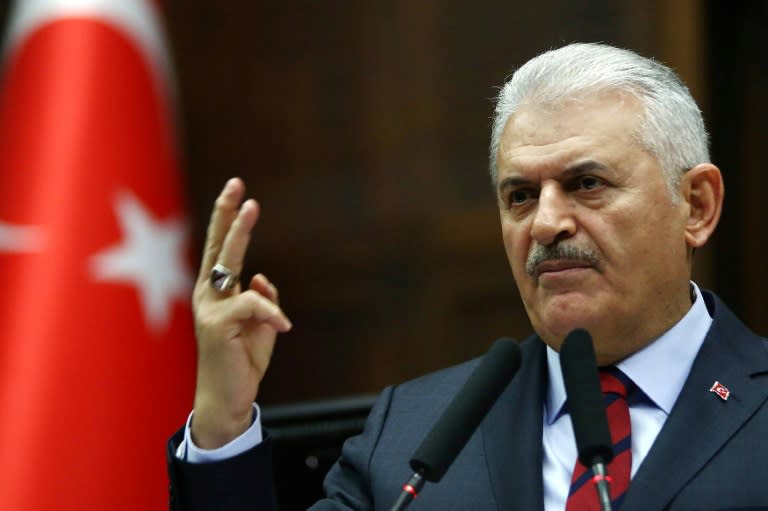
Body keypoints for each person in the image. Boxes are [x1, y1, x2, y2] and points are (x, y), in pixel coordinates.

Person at [166, 43, 768, 511]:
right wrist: (224, 419)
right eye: (520, 195)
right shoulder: (415, 432)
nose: (546, 223)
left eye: (587, 184)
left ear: (695, 205)